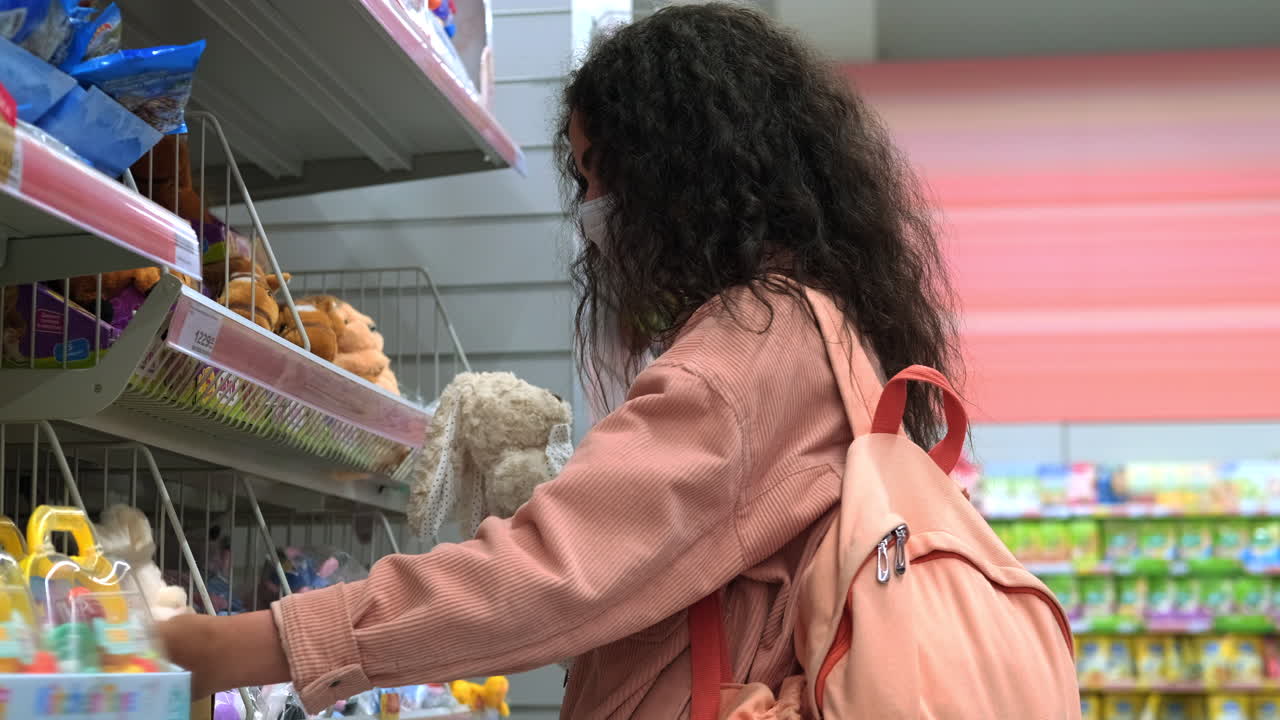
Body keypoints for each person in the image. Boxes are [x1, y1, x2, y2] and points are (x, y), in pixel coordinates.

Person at [158, 3, 960, 717]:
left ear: (675, 175)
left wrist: (241, 645)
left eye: (592, 175)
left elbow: (549, 574)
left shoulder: (752, 346)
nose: (589, 213)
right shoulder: (830, 329)